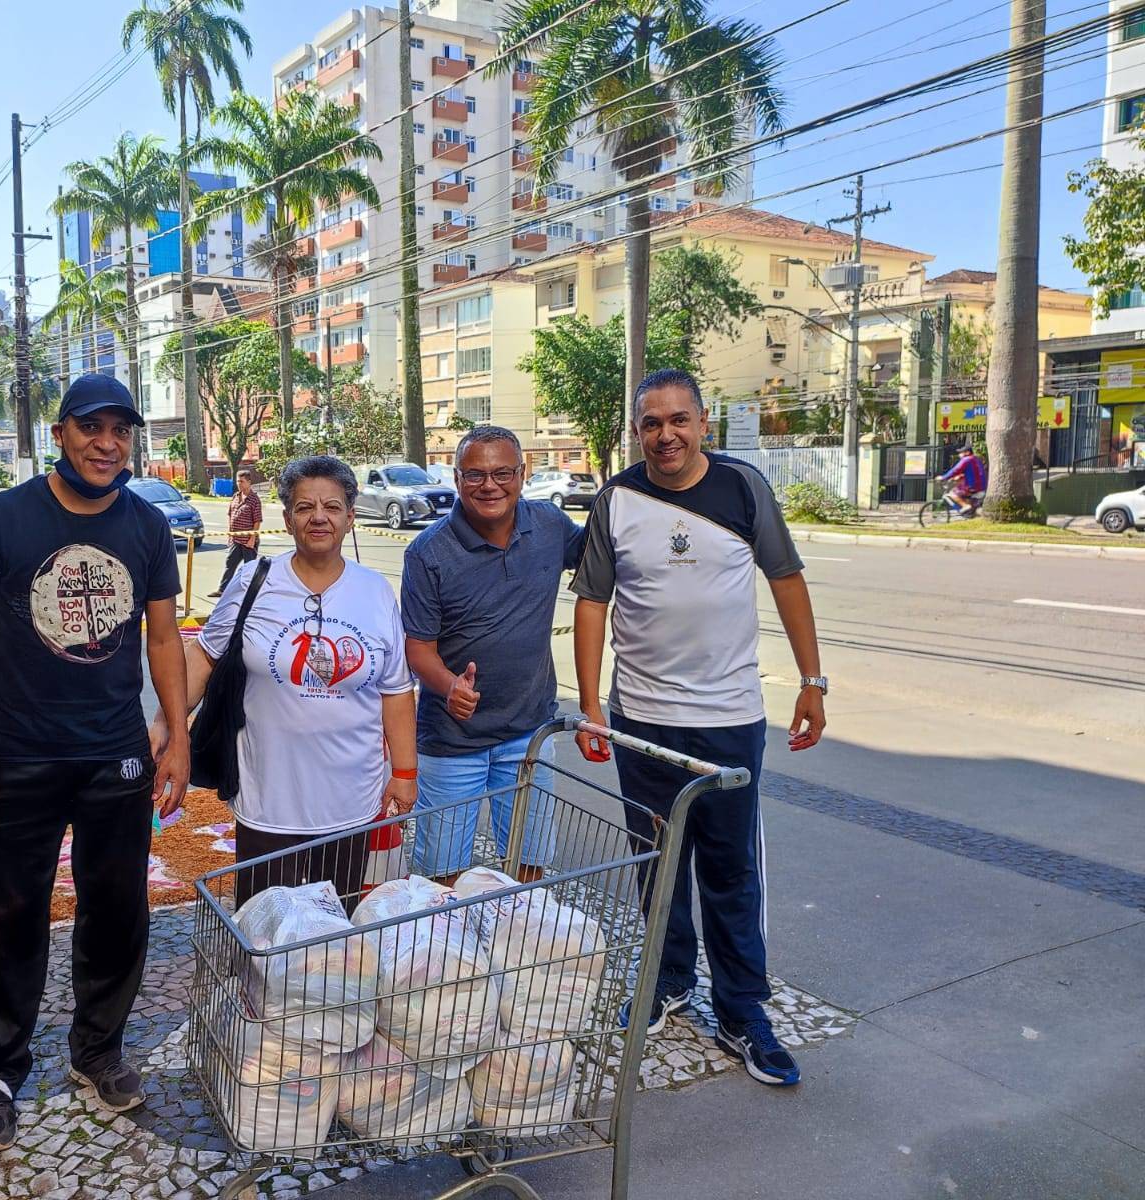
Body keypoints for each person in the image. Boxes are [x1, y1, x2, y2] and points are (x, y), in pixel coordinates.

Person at [0, 373, 190, 1153]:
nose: (107, 444)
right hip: (19, 755)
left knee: (118, 914)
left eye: (121, 431)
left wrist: (176, 734)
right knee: (9, 917)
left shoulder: (146, 526)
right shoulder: (8, 516)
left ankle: (98, 1052)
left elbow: (163, 638)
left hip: (115, 755)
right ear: (60, 432)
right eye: (91, 428)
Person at [571, 367, 826, 1088]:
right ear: (636, 431)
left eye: (679, 419)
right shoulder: (617, 499)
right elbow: (592, 601)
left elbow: (787, 579)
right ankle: (667, 983)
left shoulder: (744, 489)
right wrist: (592, 705)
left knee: (730, 873)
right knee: (656, 867)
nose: (666, 434)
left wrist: (812, 682)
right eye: (651, 423)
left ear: (703, 422)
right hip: (642, 721)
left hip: (728, 721)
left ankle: (744, 1011)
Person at [156, 455, 417, 908]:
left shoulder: (375, 591)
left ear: (351, 518)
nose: (319, 517)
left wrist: (405, 774)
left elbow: (395, 690)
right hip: (268, 800)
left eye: (333, 507)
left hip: (351, 803)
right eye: (304, 507)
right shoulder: (253, 580)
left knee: (336, 940)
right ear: (288, 518)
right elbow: (204, 656)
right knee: (267, 931)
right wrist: (167, 726)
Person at [400, 425, 586, 883]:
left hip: (529, 734)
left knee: (528, 867)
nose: (489, 485)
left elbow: (603, 555)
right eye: (475, 474)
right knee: (441, 875)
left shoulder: (549, 525)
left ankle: (515, 953)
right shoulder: (427, 553)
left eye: (503, 472)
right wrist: (448, 686)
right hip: (451, 742)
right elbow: (417, 648)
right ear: (457, 479)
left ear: (523, 474)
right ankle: (442, 956)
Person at [211, 468, 262, 597]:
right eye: (238, 481)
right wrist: (230, 533)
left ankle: (250, 593)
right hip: (235, 539)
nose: (239, 484)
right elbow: (230, 515)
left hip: (247, 541)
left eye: (242, 481)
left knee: (249, 568)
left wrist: (252, 538)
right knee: (230, 564)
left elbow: (257, 521)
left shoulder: (254, 499)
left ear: (249, 482)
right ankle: (222, 589)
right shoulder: (235, 496)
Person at [939, 444, 986, 515]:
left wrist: (943, 477)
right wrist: (960, 476)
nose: (959, 454)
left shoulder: (966, 460)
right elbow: (972, 472)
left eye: (961, 452)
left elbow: (955, 470)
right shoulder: (975, 459)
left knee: (953, 493)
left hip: (973, 486)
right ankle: (970, 512)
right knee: (966, 498)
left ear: (967, 452)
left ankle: (965, 506)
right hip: (981, 486)